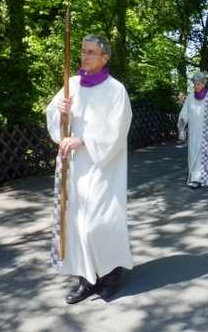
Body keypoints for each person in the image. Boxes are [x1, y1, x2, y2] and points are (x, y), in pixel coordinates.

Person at [46, 34, 133, 304]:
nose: (84, 56)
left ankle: (110, 275)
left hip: (103, 166)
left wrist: (83, 140)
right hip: (75, 167)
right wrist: (59, 110)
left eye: (91, 52)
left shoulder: (116, 90)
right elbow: (54, 119)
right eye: (83, 51)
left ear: (104, 57)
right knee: (78, 223)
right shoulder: (70, 85)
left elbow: (117, 129)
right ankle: (86, 279)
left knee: (99, 222)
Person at [178, 72, 208, 189]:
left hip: (207, 131)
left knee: (203, 153)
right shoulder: (190, 97)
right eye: (195, 84)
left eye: (199, 84)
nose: (196, 86)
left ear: (204, 83)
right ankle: (205, 173)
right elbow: (184, 113)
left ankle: (198, 178)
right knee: (194, 153)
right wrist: (181, 126)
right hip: (194, 131)